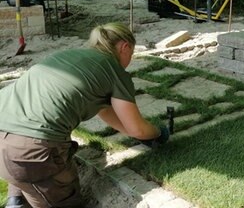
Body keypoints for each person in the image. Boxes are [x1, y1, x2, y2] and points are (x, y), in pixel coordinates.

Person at [0, 22, 169, 208]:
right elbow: (138, 129)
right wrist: (158, 133)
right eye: (132, 53)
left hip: (5, 139)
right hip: (31, 151)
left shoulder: (68, 56)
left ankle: (16, 200)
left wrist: (135, 133)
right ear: (125, 47)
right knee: (67, 201)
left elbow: (106, 111)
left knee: (21, 170)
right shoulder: (114, 70)